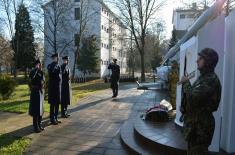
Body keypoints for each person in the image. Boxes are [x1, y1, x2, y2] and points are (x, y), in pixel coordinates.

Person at [180, 48, 221, 155]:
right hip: (194, 126)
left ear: (208, 61)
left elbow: (193, 98)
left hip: (201, 129)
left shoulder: (210, 80)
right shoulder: (203, 78)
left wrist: (186, 83)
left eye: (201, 58)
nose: (197, 60)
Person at [29, 59, 45, 133]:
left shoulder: (41, 72)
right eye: (36, 64)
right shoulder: (32, 72)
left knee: (40, 109)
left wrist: (42, 85)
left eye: (39, 64)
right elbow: (30, 81)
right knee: (36, 110)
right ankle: (35, 126)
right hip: (35, 92)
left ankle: (39, 124)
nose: (38, 66)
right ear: (35, 65)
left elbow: (43, 80)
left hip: (40, 92)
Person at [47, 53, 61, 125]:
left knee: (57, 103)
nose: (58, 59)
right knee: (52, 103)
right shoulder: (50, 66)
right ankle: (52, 118)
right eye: (56, 58)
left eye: (58, 58)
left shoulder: (58, 66)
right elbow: (51, 74)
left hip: (57, 87)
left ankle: (56, 117)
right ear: (53, 58)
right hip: (52, 87)